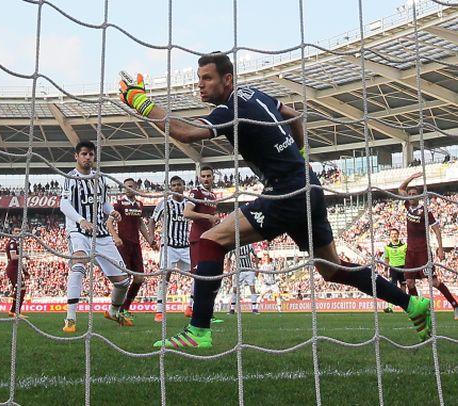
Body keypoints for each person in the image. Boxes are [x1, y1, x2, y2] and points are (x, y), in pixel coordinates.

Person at [119, 52, 432, 348]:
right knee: (333, 270)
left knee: (211, 242)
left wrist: (141, 103)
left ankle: (198, 330)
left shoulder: (230, 109)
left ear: (227, 80)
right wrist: (300, 154)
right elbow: (292, 114)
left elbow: (185, 132)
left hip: (286, 192)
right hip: (309, 186)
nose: (200, 84)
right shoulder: (255, 95)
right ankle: (412, 303)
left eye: (207, 78)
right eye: (199, 78)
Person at [60, 140, 132, 333]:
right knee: (78, 265)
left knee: (123, 281)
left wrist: (112, 212)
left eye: (91, 154)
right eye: (84, 154)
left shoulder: (100, 178)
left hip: (101, 234)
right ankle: (70, 319)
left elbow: (103, 203)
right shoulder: (70, 177)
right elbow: (64, 204)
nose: (88, 157)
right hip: (79, 232)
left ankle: (113, 311)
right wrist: (81, 220)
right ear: (76, 156)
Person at [398, 173, 458, 319]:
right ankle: (420, 310)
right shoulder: (407, 206)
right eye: (410, 193)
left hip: (423, 252)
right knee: (410, 283)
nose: (411, 195)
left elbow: (436, 229)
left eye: (414, 194)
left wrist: (441, 248)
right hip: (410, 252)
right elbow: (400, 188)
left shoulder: (425, 211)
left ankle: (455, 305)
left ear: (419, 197)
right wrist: (411, 177)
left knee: (434, 282)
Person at [107, 178, 157, 320]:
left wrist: (150, 241)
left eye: (132, 186)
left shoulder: (139, 205)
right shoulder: (118, 204)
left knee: (139, 278)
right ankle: (116, 308)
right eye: (127, 186)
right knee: (125, 278)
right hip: (123, 245)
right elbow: (109, 222)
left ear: (136, 188)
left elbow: (140, 223)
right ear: (123, 188)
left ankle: (124, 308)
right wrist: (116, 237)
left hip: (136, 245)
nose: (129, 188)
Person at [148, 176, 191, 322]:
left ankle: (190, 307)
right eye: (174, 185)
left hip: (186, 246)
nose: (177, 187)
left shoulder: (190, 203)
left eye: (179, 184)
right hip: (169, 245)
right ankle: (159, 311)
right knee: (165, 274)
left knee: (198, 274)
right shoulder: (165, 203)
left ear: (184, 186)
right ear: (170, 188)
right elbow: (152, 220)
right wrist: (151, 237)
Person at [184, 166, 221, 318]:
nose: (206, 178)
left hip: (209, 238)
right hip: (198, 239)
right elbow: (187, 213)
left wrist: (215, 222)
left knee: (210, 274)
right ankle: (191, 307)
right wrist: (208, 217)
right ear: (199, 178)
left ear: (213, 178)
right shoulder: (195, 192)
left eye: (208, 176)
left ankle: (204, 310)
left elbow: (210, 217)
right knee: (200, 274)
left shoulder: (213, 196)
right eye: (203, 176)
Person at [227, 244, 259, 314]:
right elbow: (229, 259)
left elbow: (255, 256)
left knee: (252, 288)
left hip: (249, 270)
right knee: (235, 289)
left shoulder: (249, 246)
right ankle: (232, 309)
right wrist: (228, 270)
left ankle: (254, 309)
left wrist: (257, 268)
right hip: (239, 271)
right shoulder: (233, 246)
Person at [5, 227, 29, 319]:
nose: (18, 233)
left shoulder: (17, 244)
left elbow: (18, 260)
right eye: (16, 231)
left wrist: (25, 271)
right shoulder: (12, 243)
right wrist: (24, 255)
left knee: (21, 289)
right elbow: (14, 257)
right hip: (13, 268)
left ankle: (13, 310)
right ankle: (16, 312)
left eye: (19, 231)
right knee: (21, 288)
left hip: (16, 268)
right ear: (12, 232)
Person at [382, 228, 407, 313]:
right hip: (393, 268)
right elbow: (386, 259)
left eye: (395, 233)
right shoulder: (387, 247)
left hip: (403, 267)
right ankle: (390, 307)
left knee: (403, 286)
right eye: (392, 234)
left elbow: (408, 256)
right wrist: (385, 269)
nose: (394, 235)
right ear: (390, 236)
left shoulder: (404, 245)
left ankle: (404, 306)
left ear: (398, 235)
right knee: (392, 287)